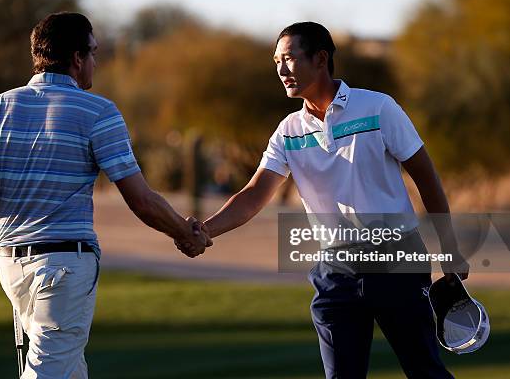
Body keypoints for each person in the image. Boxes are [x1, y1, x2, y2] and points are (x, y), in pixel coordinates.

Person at [183, 22, 468, 378]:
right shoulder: (288, 131)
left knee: (425, 370)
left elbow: (427, 178)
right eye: (276, 62)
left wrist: (450, 248)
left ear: (321, 59)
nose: (281, 70)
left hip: (397, 262)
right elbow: (255, 193)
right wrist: (205, 231)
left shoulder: (378, 108)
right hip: (335, 271)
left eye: (289, 58)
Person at [0, 12, 210, 378]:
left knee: (68, 368)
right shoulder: (97, 112)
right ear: (76, 58)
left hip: (11, 265)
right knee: (48, 370)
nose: (95, 62)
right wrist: (184, 233)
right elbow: (141, 200)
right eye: (93, 53)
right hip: (64, 267)